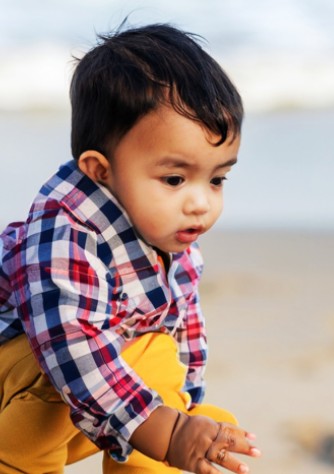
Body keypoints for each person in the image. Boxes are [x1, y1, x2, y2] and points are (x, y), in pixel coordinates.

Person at [0, 22, 260, 474]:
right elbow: (71, 349)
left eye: (217, 179)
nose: (200, 202)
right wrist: (168, 431)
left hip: (92, 402)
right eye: (175, 179)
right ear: (101, 170)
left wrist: (186, 413)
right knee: (118, 358)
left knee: (158, 355)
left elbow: (183, 332)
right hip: (25, 388)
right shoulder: (65, 237)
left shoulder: (170, 234)